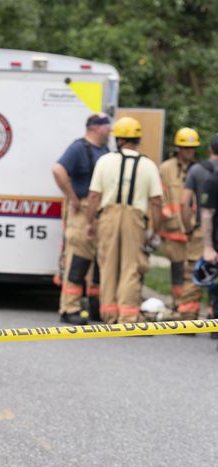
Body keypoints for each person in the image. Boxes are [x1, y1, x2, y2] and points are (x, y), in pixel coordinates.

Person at [85, 116, 163, 324]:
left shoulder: (105, 161)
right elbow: (156, 201)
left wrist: (89, 223)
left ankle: (109, 314)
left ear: (119, 140)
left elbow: (94, 196)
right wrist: (156, 230)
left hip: (108, 216)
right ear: (137, 140)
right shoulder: (148, 165)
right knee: (131, 267)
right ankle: (128, 316)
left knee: (107, 266)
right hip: (135, 218)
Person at [52, 113, 111, 325]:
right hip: (82, 208)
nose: (110, 129)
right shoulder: (79, 148)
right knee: (78, 260)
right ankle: (69, 308)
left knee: (97, 260)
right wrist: (72, 198)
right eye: (106, 125)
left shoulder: (103, 150)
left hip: (98, 210)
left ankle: (95, 306)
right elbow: (58, 169)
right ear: (95, 127)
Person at [158, 128, 200, 319]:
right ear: (178, 148)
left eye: (192, 148)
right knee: (177, 269)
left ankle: (187, 309)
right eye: (185, 148)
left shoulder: (199, 170)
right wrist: (165, 215)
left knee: (189, 271)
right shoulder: (166, 168)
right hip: (173, 228)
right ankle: (178, 304)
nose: (188, 152)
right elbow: (160, 195)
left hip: (193, 230)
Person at [186, 134, 218, 320]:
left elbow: (186, 203)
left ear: (209, 149)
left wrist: (187, 226)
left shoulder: (197, 170)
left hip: (206, 233)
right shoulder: (212, 178)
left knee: (199, 274)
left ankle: (189, 316)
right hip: (211, 236)